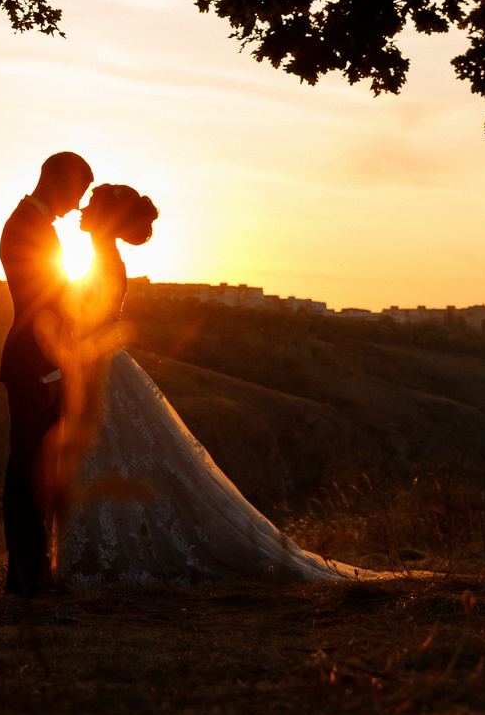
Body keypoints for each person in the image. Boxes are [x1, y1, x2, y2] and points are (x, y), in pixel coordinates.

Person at [55, 183, 376, 587]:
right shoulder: (102, 260)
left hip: (100, 372)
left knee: (110, 459)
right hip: (100, 370)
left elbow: (88, 325)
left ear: (106, 219)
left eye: (91, 205)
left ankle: (111, 559)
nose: (81, 210)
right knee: (111, 459)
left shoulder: (104, 263)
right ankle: (103, 554)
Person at [0, 151, 93, 596]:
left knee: (37, 467)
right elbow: (40, 311)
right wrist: (54, 375)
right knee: (26, 470)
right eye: (75, 192)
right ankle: (25, 573)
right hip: (34, 366)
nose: (77, 205)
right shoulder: (27, 228)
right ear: (52, 179)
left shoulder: (34, 226)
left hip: (38, 364)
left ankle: (33, 570)